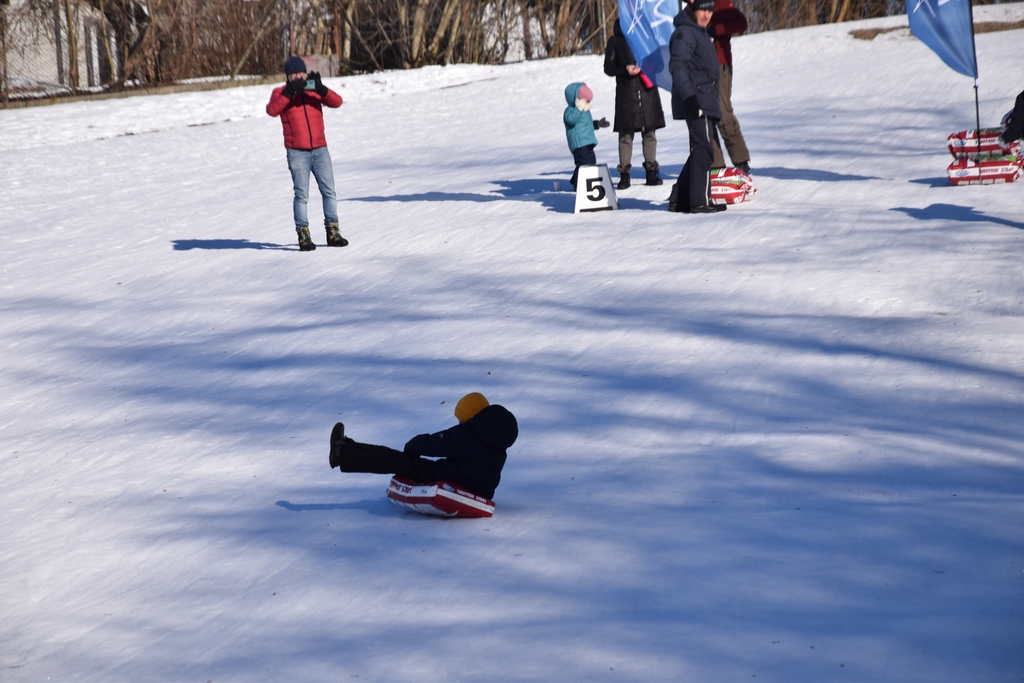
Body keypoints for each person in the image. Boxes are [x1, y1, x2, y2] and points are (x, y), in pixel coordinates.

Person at [328, 393, 519, 500]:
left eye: (461, 419)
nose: (459, 423)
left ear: (472, 416)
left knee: (397, 461)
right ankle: (346, 449)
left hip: (452, 480)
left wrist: (411, 448)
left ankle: (342, 453)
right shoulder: (496, 437)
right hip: (482, 489)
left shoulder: (468, 434)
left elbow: (433, 444)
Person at [266, 56, 348, 252]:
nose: (298, 76)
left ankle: (333, 232)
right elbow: (272, 110)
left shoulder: (313, 90)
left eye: (300, 73)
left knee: (329, 192)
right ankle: (303, 234)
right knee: (301, 195)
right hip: (297, 152)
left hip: (320, 150)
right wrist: (289, 93)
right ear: (287, 76)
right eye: (293, 74)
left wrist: (321, 89)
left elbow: (337, 102)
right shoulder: (280, 92)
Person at [668, 0, 726, 213]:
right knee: (704, 149)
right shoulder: (685, 33)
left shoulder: (699, 32)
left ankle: (679, 198)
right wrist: (690, 98)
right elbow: (677, 66)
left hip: (705, 99)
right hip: (696, 100)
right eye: (702, 10)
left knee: (701, 149)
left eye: (710, 10)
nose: (706, 15)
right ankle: (699, 201)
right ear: (692, 9)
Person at [603, 19, 666, 189]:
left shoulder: (648, 37)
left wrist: (649, 65)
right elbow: (608, 67)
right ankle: (624, 175)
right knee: (625, 135)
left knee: (650, 133)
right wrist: (625, 68)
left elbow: (660, 64)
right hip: (626, 94)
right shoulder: (615, 40)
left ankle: (651, 172)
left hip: (648, 93)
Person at [709, 0, 751, 172]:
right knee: (704, 115)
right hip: (697, 65)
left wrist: (716, 30)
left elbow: (741, 23)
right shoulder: (687, 6)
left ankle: (741, 160)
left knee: (722, 111)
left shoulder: (721, 3)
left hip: (720, 63)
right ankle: (715, 163)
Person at [563, 82, 610, 191]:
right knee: (583, 164)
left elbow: (587, 125)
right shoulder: (570, 110)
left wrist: (597, 124)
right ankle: (578, 185)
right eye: (585, 100)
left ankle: (578, 180)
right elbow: (571, 120)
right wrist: (578, 109)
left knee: (591, 163)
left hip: (588, 141)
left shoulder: (585, 111)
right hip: (578, 143)